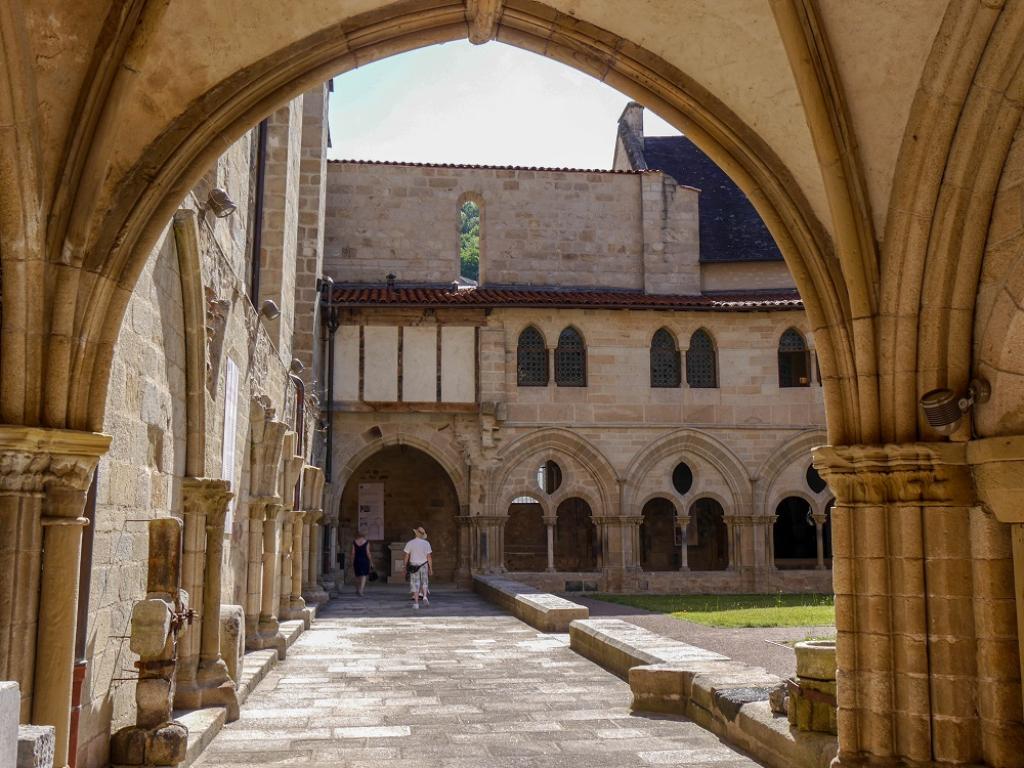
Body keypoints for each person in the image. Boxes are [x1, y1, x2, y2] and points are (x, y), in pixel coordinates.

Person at [403, 526, 433, 609]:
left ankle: (416, 603)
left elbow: (406, 556)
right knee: (424, 582)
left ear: (415, 533)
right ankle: (425, 596)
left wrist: (404, 566)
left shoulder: (410, 543)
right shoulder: (426, 543)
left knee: (415, 584)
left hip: (414, 566)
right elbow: (429, 557)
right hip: (424, 565)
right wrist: (431, 568)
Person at [351, 531, 371, 597]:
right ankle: (361, 590)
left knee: (357, 575)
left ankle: (357, 589)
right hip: (364, 560)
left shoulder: (354, 542)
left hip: (356, 560)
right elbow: (368, 553)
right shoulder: (367, 542)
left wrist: (352, 560)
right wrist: (371, 561)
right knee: (364, 575)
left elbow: (353, 552)